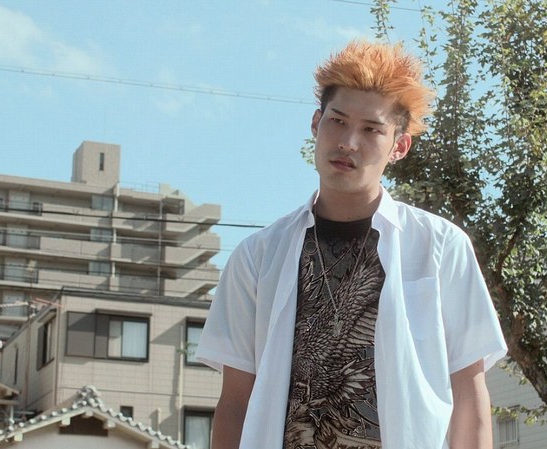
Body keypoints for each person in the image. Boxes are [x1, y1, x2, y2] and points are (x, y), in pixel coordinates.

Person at [196, 40, 507, 449]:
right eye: (337, 121)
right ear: (316, 123)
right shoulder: (257, 256)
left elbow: (469, 392)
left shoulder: (440, 247)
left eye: (371, 130)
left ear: (399, 146)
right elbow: (236, 401)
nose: (348, 142)